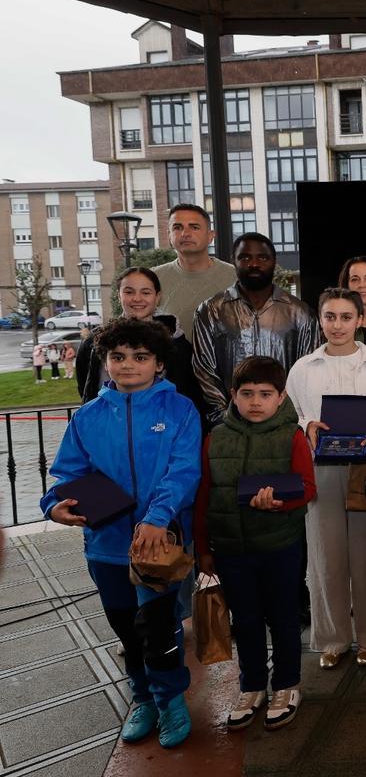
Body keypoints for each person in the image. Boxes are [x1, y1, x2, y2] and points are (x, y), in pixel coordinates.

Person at [40, 317, 201, 748]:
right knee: (126, 630)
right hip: (106, 546)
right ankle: (143, 697)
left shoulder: (179, 410)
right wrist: (53, 505)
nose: (128, 365)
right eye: (118, 356)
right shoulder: (89, 416)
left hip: (160, 545)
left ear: (159, 365)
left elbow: (184, 471)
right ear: (105, 362)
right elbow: (67, 474)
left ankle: (171, 701)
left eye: (140, 357)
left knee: (159, 628)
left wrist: (157, 517)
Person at [194, 356, 316, 731]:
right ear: (233, 396)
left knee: (282, 618)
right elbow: (203, 496)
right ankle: (251, 686)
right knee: (244, 620)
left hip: (280, 545)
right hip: (232, 548)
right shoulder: (216, 439)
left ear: (281, 397)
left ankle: (286, 685)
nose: (256, 402)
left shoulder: (292, 436)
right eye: (246, 394)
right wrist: (204, 549)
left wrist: (281, 502)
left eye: (265, 394)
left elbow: (307, 488)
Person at [286, 288, 366, 670]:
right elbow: (289, 415)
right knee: (325, 555)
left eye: (346, 317)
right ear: (320, 320)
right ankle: (334, 638)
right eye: (330, 317)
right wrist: (307, 425)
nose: (338, 325)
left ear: (359, 319)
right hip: (319, 470)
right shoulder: (303, 368)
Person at [193, 232, 320, 425]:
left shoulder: (300, 313)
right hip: (228, 427)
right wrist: (225, 418)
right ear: (233, 261)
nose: (254, 264)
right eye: (245, 257)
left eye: (262, 257)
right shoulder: (211, 310)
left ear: (274, 261)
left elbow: (307, 371)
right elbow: (204, 370)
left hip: (285, 425)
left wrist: (287, 416)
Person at [76, 267, 205, 421]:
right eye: (129, 292)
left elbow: (189, 391)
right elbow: (86, 384)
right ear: (119, 296)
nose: (137, 299)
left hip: (162, 433)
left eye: (145, 292)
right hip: (106, 432)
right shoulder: (94, 342)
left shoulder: (178, 345)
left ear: (157, 297)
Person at [153, 204, 237, 341]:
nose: (185, 233)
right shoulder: (153, 278)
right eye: (177, 227)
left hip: (226, 361)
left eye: (194, 227)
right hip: (169, 361)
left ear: (211, 236)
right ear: (169, 236)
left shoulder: (235, 276)